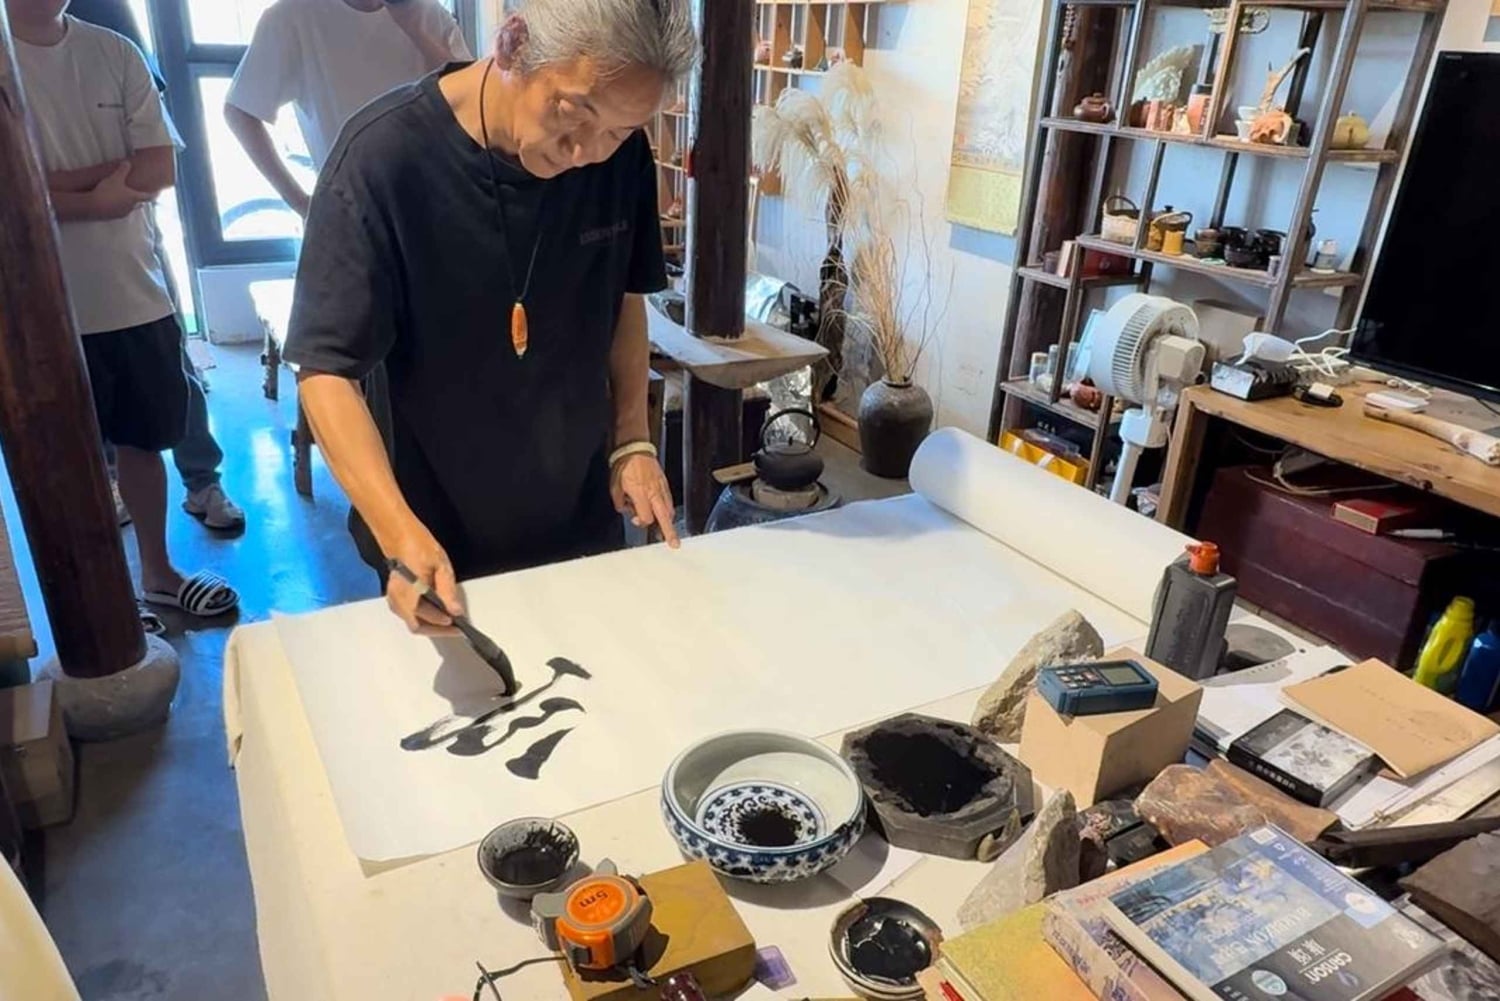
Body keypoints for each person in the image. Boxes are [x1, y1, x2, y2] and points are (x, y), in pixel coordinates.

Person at [283, 0, 695, 632]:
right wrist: (397, 532)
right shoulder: (382, 160)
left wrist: (633, 439)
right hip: (438, 535)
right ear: (512, 44)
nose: (586, 152)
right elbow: (326, 371)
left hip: (581, 519)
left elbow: (623, 297)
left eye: (617, 131)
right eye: (573, 113)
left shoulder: (621, 157)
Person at [10, 0, 240, 618]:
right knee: (65, 464)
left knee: (145, 442)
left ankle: (157, 573)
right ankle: (98, 601)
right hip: (33, 309)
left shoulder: (114, 50)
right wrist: (101, 192)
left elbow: (159, 165)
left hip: (133, 291)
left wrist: (45, 185)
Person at [67, 0, 246, 532]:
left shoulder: (109, 22)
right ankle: (110, 479)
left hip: (131, 234)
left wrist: (56, 188)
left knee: (171, 360)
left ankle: (201, 481)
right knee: (82, 378)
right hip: (51, 253)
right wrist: (95, 189)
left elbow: (155, 158)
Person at [225, 0, 472, 217]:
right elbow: (240, 111)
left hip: (437, 205)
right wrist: (301, 203)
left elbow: (473, 105)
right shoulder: (293, 16)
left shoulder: (431, 14)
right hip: (351, 214)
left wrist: (416, 30)